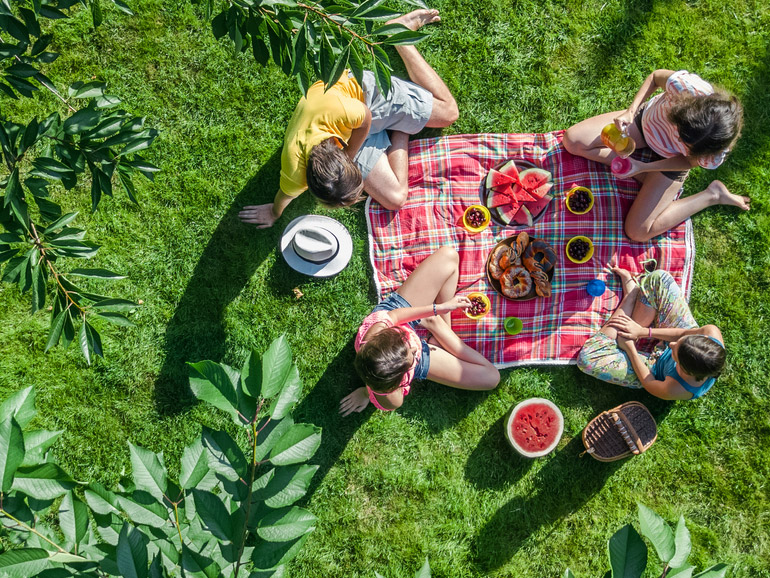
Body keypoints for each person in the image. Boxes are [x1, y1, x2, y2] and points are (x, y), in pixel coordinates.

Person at [239, 9, 459, 229]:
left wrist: (352, 151)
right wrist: (274, 212)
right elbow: (284, 195)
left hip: (365, 99)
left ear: (345, 159)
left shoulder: (340, 110)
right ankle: (403, 125)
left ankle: (399, 36)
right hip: (347, 135)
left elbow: (366, 117)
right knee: (396, 199)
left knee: (449, 114)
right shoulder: (295, 173)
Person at [563, 69, 749, 242]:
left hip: (671, 161)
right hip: (642, 126)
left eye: (686, 145)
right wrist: (630, 112)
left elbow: (687, 162)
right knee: (573, 141)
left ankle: (712, 195)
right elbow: (655, 77)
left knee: (637, 231)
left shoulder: (712, 154)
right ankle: (645, 179)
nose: (677, 139)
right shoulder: (686, 88)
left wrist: (644, 166)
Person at [339, 246, 500, 415]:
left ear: (385, 334)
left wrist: (438, 308)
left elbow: (395, 316)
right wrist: (366, 392)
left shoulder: (376, 329)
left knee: (449, 256)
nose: (414, 347)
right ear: (398, 382)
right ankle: (438, 328)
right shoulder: (392, 398)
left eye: (406, 345)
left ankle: (435, 326)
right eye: (411, 355)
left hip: (401, 317)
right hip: (402, 358)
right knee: (491, 378)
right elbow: (380, 386)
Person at [577, 266, 726, 400]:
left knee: (588, 359)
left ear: (682, 369)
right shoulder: (710, 333)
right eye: (680, 342)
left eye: (674, 351)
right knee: (659, 279)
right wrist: (642, 331)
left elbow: (649, 383)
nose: (672, 344)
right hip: (667, 335)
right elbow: (683, 332)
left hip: (652, 368)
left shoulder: (676, 389)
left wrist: (630, 350)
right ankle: (629, 320)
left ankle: (630, 298)